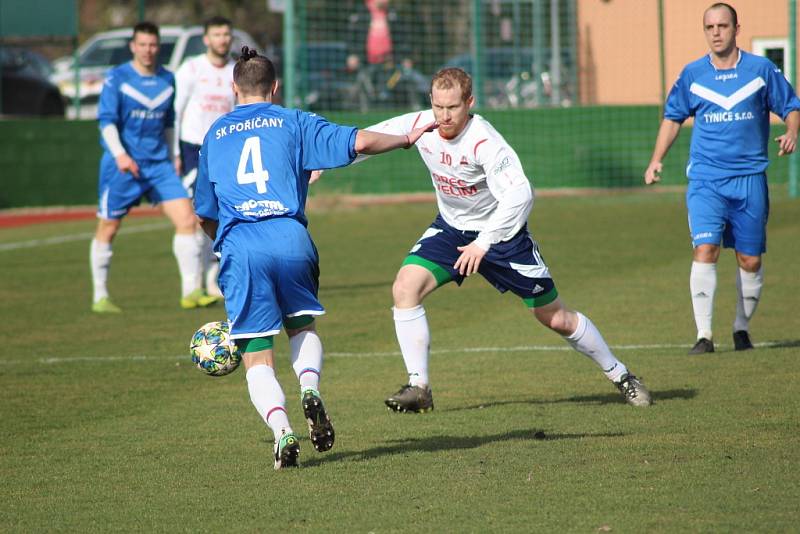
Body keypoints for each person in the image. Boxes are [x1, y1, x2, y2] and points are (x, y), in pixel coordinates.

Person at [354, 67, 652, 412]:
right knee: (405, 288)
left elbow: (521, 194)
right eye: (438, 107)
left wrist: (484, 242)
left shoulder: (484, 141)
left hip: (502, 236)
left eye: (452, 107)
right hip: (451, 229)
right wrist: (325, 164)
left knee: (555, 317)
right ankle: (419, 387)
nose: (444, 115)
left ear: (470, 102)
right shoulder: (423, 124)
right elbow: (370, 138)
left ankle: (621, 375)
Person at [193, 47, 434, 469]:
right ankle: (310, 389)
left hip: (241, 243)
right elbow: (359, 140)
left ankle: (282, 431)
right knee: (302, 325)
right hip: (291, 237)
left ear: (234, 88)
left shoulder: (214, 135)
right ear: (275, 87)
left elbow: (204, 213)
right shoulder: (293, 121)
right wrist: (405, 139)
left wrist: (225, 244)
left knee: (255, 352)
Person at [644, 2, 799, 354]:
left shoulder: (761, 69)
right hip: (706, 181)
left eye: (722, 26)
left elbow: (791, 106)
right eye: (710, 27)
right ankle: (704, 336)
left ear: (736, 29)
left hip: (749, 179)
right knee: (706, 248)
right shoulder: (693, 74)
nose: (716, 33)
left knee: (750, 260)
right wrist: (656, 160)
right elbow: (672, 118)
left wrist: (792, 132)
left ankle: (741, 329)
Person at [91, 22, 204, 313]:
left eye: (153, 45)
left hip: (159, 165)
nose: (148, 50)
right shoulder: (117, 78)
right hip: (124, 166)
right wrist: (120, 155)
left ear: (158, 47)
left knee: (188, 220)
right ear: (133, 46)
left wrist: (172, 155)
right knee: (109, 226)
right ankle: (100, 296)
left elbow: (168, 123)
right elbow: (106, 122)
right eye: (142, 44)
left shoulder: (168, 78)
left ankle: (190, 292)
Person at [173, 16, 237, 306]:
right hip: (193, 148)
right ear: (206, 39)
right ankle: (191, 285)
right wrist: (174, 152)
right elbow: (176, 111)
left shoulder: (237, 71)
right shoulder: (192, 68)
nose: (222, 39)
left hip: (225, 149)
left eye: (226, 34)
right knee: (198, 214)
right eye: (217, 34)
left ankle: (213, 282)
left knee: (223, 216)